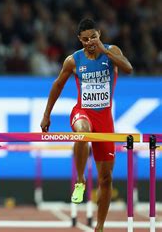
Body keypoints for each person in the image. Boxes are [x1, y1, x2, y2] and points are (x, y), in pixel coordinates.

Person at [40, 18, 133, 231]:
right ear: (79, 39)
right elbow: (57, 85)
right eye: (85, 39)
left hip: (105, 119)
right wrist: (47, 115)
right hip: (83, 112)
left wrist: (104, 49)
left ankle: (99, 227)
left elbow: (128, 68)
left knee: (106, 178)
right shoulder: (73, 60)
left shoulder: (111, 51)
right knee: (82, 132)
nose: (89, 42)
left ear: (99, 34)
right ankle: (80, 180)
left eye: (93, 37)